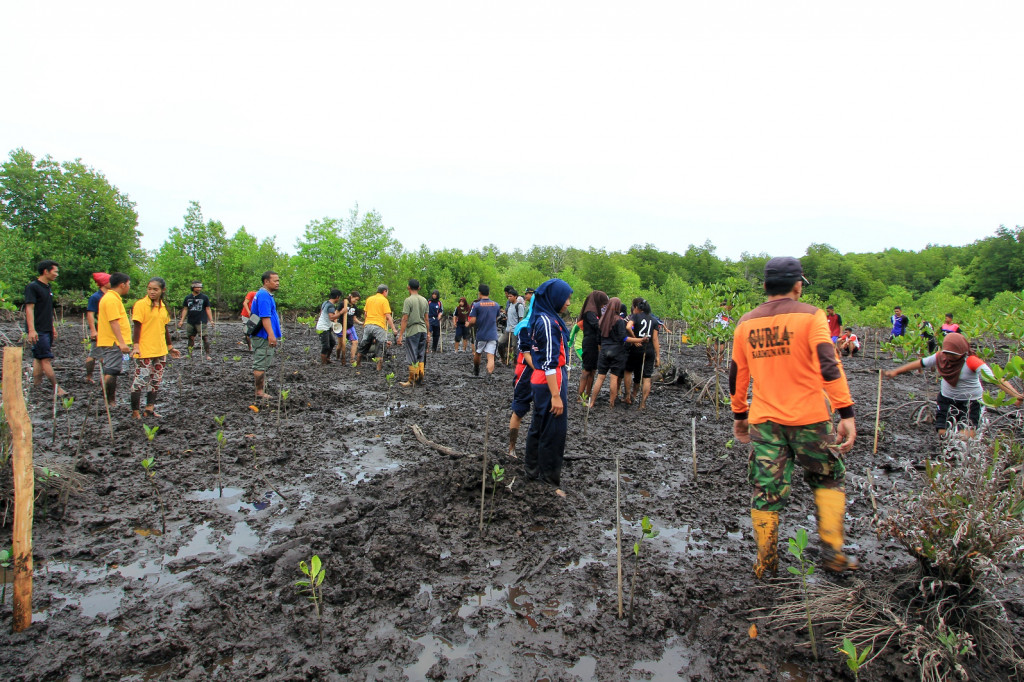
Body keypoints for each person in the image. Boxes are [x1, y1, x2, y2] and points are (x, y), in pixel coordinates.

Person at [730, 256, 858, 577]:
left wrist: (739, 415)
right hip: (811, 418)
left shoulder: (745, 323)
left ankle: (766, 562)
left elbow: (737, 375)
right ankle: (833, 554)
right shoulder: (813, 317)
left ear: (765, 286)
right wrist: (846, 412)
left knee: (766, 490)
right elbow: (829, 364)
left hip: (765, 422)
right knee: (827, 478)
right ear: (798, 285)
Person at [884, 332, 1022, 439]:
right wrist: (896, 371)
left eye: (953, 354)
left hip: (972, 402)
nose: (949, 356)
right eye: (947, 353)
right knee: (942, 433)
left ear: (962, 352)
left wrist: (1016, 395)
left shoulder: (972, 361)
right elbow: (921, 363)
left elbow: (996, 379)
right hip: (947, 399)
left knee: (965, 436)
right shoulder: (940, 356)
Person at [522, 278, 573, 490]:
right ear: (555, 298)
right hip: (550, 382)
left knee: (539, 426)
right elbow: (549, 362)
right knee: (553, 431)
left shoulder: (546, 318)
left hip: (544, 380)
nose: (568, 303)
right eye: (566, 298)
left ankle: (532, 471)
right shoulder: (547, 322)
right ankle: (548, 481)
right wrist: (555, 395)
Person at [129, 277, 181, 419]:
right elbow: (137, 326)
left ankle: (149, 409)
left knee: (155, 380)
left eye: (155, 289)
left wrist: (170, 348)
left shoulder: (163, 307)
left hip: (160, 350)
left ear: (162, 290)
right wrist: (136, 346)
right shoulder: (140, 305)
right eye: (149, 289)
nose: (152, 292)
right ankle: (135, 412)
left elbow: (164, 329)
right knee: (140, 380)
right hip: (145, 350)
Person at [24, 260, 67, 397]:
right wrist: (31, 330)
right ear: (46, 271)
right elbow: (29, 309)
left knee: (39, 357)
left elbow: (46, 310)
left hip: (46, 328)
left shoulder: (47, 288)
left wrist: (52, 327)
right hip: (38, 330)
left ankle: (36, 387)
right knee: (46, 359)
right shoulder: (33, 287)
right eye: (55, 271)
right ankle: (57, 389)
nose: (56, 274)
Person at [588, 298, 631, 408]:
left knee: (600, 377)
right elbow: (623, 338)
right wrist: (639, 340)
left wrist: (601, 350)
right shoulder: (619, 321)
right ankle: (611, 403)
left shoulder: (601, 320)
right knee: (614, 378)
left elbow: (598, 339)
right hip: (617, 352)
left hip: (604, 351)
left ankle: (591, 402)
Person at [97, 272, 132, 405]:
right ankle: (109, 401)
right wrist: (121, 343)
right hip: (114, 342)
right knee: (111, 371)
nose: (129, 287)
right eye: (128, 284)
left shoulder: (112, 298)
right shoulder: (111, 299)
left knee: (114, 369)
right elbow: (113, 322)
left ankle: (110, 400)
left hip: (113, 341)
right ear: (122, 285)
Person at [624, 298, 660, 410]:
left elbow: (628, 327)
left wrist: (636, 339)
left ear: (637, 308)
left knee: (628, 371)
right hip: (649, 350)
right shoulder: (654, 320)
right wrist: (658, 356)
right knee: (646, 377)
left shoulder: (635, 316)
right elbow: (655, 339)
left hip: (636, 349)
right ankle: (643, 404)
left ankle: (628, 396)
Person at [250, 271, 281, 400]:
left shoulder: (266, 294)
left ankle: (261, 387)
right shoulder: (263, 295)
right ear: (266, 281)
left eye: (278, 280)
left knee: (263, 363)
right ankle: (259, 392)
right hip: (263, 335)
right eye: (275, 281)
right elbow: (265, 317)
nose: (278, 283)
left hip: (264, 335)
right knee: (261, 364)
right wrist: (271, 335)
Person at [357, 285, 398, 371]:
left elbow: (365, 314)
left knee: (364, 345)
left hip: (368, 325)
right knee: (380, 347)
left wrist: (366, 322)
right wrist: (394, 329)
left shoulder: (369, 299)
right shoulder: (384, 300)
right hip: (379, 326)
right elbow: (388, 316)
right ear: (385, 291)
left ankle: (358, 364)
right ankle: (378, 368)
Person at [508, 323, 534, 457]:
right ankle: (511, 448)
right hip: (525, 372)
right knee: (518, 409)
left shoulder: (551, 323)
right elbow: (525, 351)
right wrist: (539, 368)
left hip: (544, 372)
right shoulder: (525, 326)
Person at [397, 279, 429, 386]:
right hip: (423, 330)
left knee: (412, 354)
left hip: (413, 330)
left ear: (408, 287)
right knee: (421, 354)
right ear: (419, 288)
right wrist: (428, 333)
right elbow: (426, 318)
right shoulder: (424, 300)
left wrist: (400, 335)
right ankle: (420, 379)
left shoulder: (408, 300)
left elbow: (405, 318)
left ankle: (412, 380)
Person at [577, 290, 609, 400]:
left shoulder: (596, 313)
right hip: (590, 343)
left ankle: (587, 394)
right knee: (586, 370)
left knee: (593, 370)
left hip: (596, 344)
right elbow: (597, 326)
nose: (603, 306)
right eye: (602, 303)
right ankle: (580, 396)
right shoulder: (589, 313)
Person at [84, 272, 111, 384]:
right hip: (99, 330)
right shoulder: (95, 297)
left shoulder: (109, 296)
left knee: (102, 354)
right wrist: (93, 330)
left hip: (107, 330)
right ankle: (89, 376)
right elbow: (90, 314)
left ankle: (103, 377)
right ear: (104, 283)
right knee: (94, 354)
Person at [469, 284, 500, 378]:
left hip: (481, 334)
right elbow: (496, 317)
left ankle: (476, 370)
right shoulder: (496, 305)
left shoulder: (476, 305)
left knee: (478, 352)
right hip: (493, 334)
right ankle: (489, 374)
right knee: (490, 356)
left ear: (479, 293)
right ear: (489, 293)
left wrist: (468, 324)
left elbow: (473, 320)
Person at [177, 281, 214, 361]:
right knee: (191, 338)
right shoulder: (187, 298)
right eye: (197, 287)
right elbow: (185, 309)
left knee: (205, 337)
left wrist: (211, 320)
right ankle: (189, 354)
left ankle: (207, 355)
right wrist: (181, 320)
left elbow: (208, 309)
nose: (199, 289)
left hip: (201, 321)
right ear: (193, 287)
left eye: (200, 287)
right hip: (191, 321)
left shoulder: (204, 297)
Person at [315, 289, 344, 365]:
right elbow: (332, 317)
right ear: (337, 297)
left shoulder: (325, 303)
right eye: (339, 297)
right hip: (323, 327)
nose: (339, 299)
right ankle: (323, 363)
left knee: (332, 342)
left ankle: (327, 358)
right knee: (326, 346)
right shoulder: (331, 306)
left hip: (325, 326)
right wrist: (341, 312)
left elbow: (322, 313)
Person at [499, 286, 526, 366]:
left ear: (515, 297)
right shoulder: (510, 305)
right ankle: (503, 359)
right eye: (509, 296)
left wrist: (519, 329)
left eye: (511, 296)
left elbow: (521, 319)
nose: (509, 298)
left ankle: (515, 362)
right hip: (508, 329)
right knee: (500, 343)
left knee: (515, 347)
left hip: (515, 330)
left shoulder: (519, 306)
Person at [335, 291, 361, 363]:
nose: (356, 301)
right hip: (341, 326)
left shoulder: (354, 307)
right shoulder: (343, 303)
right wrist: (335, 323)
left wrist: (361, 323)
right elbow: (336, 313)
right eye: (355, 299)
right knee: (340, 344)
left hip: (350, 326)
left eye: (357, 300)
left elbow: (354, 318)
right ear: (351, 297)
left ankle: (352, 359)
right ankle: (338, 356)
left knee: (355, 341)